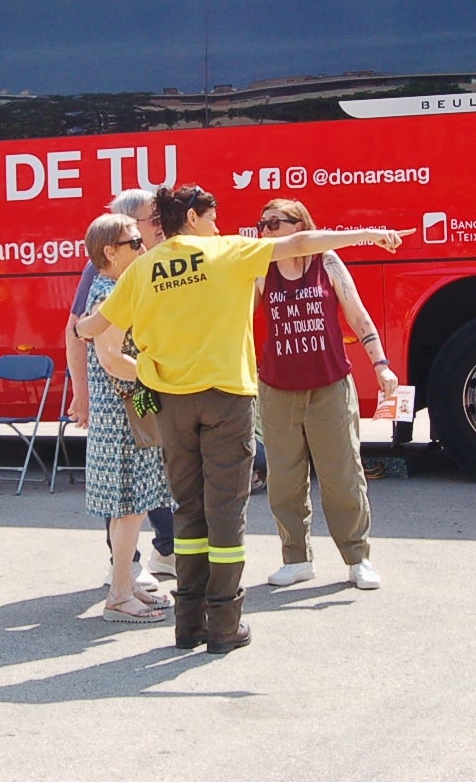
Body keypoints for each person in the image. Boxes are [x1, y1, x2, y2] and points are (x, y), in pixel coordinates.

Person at [77, 184, 410, 654]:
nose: (220, 225)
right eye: (212, 217)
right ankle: (225, 624)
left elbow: (91, 329)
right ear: (192, 218)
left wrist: (80, 324)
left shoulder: (144, 267)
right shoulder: (226, 252)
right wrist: (368, 233)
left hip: (173, 404)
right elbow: (299, 244)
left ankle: (188, 622)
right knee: (226, 514)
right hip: (226, 400)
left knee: (189, 511)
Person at [256, 198, 391, 590]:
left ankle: (357, 558)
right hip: (278, 390)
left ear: (300, 225)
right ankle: (296, 558)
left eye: (273, 223)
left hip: (330, 386)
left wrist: (380, 364)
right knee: (284, 480)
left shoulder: (327, 262)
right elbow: (237, 319)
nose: (264, 230)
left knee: (342, 476)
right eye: (261, 224)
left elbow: (357, 313)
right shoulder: (260, 268)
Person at [64, 188, 175, 586]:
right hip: (123, 407)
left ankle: (139, 573)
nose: (145, 245)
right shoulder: (108, 290)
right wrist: (163, 377)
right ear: (111, 252)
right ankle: (123, 584)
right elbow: (112, 358)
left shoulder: (124, 284)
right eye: (135, 241)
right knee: (129, 502)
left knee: (144, 494)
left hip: (135, 402)